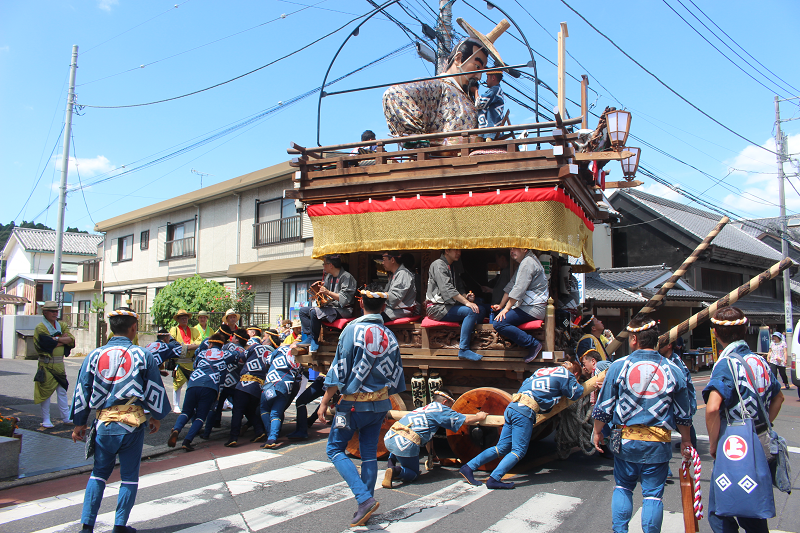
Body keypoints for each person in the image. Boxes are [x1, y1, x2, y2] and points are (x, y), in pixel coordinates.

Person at [70, 308, 169, 533]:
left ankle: (87, 526)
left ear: (110, 328)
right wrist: (155, 416)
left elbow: (82, 391)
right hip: (132, 423)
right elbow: (154, 387)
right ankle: (119, 525)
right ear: (134, 328)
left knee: (98, 474)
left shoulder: (93, 355)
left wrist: (79, 424)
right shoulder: (143, 355)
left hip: (104, 423)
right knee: (129, 477)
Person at [591, 315, 693, 533]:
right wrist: (686, 440)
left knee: (622, 487)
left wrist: (597, 431)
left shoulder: (619, 366)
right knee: (653, 496)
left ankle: (620, 530)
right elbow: (684, 413)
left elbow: (605, 405)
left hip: (624, 438)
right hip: (658, 441)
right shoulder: (673, 369)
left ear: (634, 338)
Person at [317, 283, 405, 527]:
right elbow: (396, 375)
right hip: (379, 404)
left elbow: (339, 369)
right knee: (368, 456)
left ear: (360, 303)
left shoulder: (351, 330)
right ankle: (365, 503)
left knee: (334, 449)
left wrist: (324, 402)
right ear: (384, 306)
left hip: (353, 404)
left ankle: (364, 499)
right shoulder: (390, 335)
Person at [703, 307, 785, 533]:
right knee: (753, 507)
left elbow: (712, 408)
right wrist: (763, 423)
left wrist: (712, 445)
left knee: (720, 512)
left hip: (735, 445)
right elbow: (779, 398)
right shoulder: (761, 362)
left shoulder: (726, 364)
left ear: (716, 333)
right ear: (746, 329)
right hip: (760, 440)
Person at [383, 19, 508, 145]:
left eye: (482, 70)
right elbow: (395, 94)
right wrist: (419, 139)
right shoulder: (440, 87)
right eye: (477, 67)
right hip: (440, 160)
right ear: (458, 59)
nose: (479, 76)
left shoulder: (468, 96)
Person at [461, 361, 583, 489]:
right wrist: (574, 379)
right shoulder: (566, 375)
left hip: (513, 406)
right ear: (575, 373)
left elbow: (526, 385)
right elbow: (576, 393)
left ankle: (468, 467)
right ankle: (494, 478)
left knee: (502, 447)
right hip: (524, 411)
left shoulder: (542, 371)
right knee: (518, 451)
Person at [383, 390, 487, 488]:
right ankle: (396, 471)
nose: (450, 409)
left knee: (397, 445)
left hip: (390, 436)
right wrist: (479, 417)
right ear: (445, 402)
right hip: (405, 444)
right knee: (413, 474)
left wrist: (432, 455)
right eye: (450, 406)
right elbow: (466, 420)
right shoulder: (441, 410)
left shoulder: (426, 408)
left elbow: (428, 437)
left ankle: (390, 464)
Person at [167, 330, 246, 451]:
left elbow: (194, 365)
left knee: (186, 411)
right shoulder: (226, 354)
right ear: (221, 345)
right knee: (201, 416)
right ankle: (187, 441)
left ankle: (177, 429)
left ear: (210, 344)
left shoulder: (202, 353)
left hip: (194, 383)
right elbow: (238, 355)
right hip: (211, 386)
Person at [425, 249, 486, 361]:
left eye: (459, 250)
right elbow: (447, 289)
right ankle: (463, 349)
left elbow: (459, 289)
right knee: (471, 311)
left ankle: (471, 337)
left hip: (449, 306)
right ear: (447, 251)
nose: (459, 252)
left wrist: (467, 297)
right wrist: (466, 303)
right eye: (455, 250)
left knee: (480, 309)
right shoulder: (438, 264)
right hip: (436, 308)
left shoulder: (453, 266)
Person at [491, 248, 547, 363]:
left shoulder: (528, 262)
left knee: (499, 323)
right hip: (527, 307)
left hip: (533, 308)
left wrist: (506, 308)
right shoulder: (525, 262)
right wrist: (501, 305)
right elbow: (511, 285)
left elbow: (519, 289)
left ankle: (533, 344)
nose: (512, 251)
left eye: (515, 248)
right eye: (511, 248)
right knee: (497, 315)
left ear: (525, 249)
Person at [299, 255, 357, 354]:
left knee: (314, 312)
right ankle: (309, 336)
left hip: (343, 310)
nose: (323, 266)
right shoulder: (329, 277)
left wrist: (328, 292)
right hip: (330, 307)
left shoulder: (346, 277)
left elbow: (345, 299)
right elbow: (324, 295)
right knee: (303, 311)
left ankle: (314, 339)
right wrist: (317, 294)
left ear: (331, 265)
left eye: (324, 264)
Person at [226, 330, 272, 447]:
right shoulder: (272, 353)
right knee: (250, 411)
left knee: (237, 411)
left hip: (245, 383)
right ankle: (259, 431)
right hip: (258, 386)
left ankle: (233, 437)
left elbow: (241, 358)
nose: (264, 339)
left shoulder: (255, 347)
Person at [33, 300, 75, 428]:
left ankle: (66, 416)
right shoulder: (40, 327)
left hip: (59, 364)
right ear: (45, 312)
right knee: (45, 393)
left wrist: (56, 339)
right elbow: (46, 344)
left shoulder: (61, 325)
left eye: (56, 311)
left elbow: (72, 340)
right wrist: (63, 339)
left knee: (62, 390)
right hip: (45, 364)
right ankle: (46, 418)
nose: (55, 313)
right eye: (52, 311)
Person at [200, 331, 249, 439]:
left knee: (215, 406)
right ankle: (235, 429)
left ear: (237, 339)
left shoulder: (229, 346)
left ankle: (209, 430)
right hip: (237, 383)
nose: (232, 338)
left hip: (224, 381)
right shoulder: (245, 351)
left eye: (234, 336)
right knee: (237, 407)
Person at [259, 342, 302, 449]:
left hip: (272, 382)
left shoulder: (281, 349)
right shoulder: (300, 360)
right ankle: (272, 438)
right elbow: (299, 376)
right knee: (276, 413)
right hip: (286, 387)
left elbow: (268, 360)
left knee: (264, 408)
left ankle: (269, 434)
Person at [659, 339, 698, 450]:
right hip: (676, 395)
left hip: (682, 395)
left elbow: (682, 382)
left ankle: (691, 444)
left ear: (669, 345)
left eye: (661, 344)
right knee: (679, 419)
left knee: (683, 419)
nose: (658, 347)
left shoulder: (675, 361)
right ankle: (687, 441)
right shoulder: (668, 359)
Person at [169, 309, 202, 414]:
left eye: (186, 317)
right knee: (177, 384)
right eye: (182, 318)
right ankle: (176, 405)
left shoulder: (193, 330)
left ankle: (190, 405)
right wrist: (187, 347)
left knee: (192, 385)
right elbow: (172, 342)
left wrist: (187, 346)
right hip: (179, 361)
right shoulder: (174, 330)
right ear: (178, 319)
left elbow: (199, 342)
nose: (184, 319)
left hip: (191, 362)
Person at [286, 370, 327, 440]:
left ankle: (302, 430)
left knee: (301, 401)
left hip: (330, 380)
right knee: (326, 401)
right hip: (325, 379)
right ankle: (307, 424)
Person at [381, 251, 419, 321]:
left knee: (371, 316)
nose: (382, 263)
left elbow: (395, 298)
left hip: (400, 311)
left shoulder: (403, 273)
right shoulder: (395, 274)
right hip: (393, 309)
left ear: (392, 260)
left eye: (384, 260)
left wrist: (380, 295)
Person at [476, 71, 505, 138]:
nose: (486, 80)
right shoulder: (498, 90)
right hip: (493, 129)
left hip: (491, 129)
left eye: (487, 77)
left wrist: (475, 91)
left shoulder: (494, 90)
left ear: (493, 78)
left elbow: (480, 103)